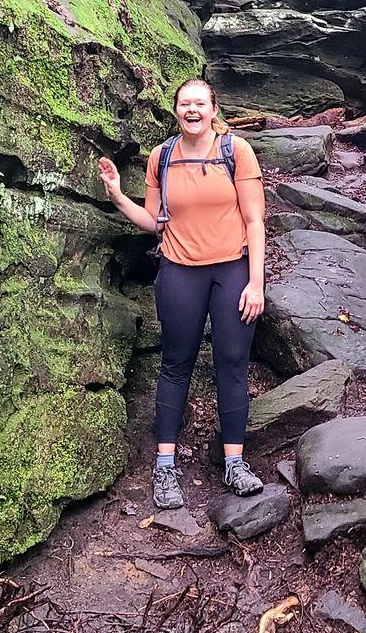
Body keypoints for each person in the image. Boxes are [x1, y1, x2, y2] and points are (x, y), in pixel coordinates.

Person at [98, 77, 266, 510]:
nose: (192, 110)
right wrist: (118, 196)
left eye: (199, 103)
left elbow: (254, 221)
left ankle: (235, 462)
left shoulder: (236, 152)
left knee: (231, 363)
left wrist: (256, 282)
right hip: (179, 273)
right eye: (184, 104)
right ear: (176, 111)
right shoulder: (162, 156)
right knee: (176, 365)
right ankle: (165, 466)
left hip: (231, 270)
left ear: (213, 109)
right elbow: (155, 221)